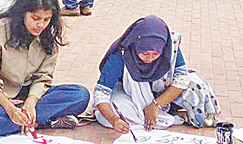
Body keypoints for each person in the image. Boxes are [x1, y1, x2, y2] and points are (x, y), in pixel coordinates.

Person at [0, 0, 90, 136]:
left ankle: (22, 120)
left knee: (80, 95)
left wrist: (30, 103)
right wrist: (9, 108)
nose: (41, 25)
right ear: (22, 13)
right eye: (35, 18)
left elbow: (43, 78)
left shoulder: (48, 36)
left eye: (46, 19)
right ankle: (41, 122)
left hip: (29, 96)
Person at [93, 15, 221, 133]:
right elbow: (101, 94)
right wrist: (114, 120)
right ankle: (172, 115)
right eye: (145, 54)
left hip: (162, 91)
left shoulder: (170, 47)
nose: (149, 59)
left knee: (195, 85)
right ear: (136, 46)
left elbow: (181, 80)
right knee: (118, 109)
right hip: (129, 93)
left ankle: (170, 110)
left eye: (155, 54)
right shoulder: (120, 55)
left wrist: (156, 105)